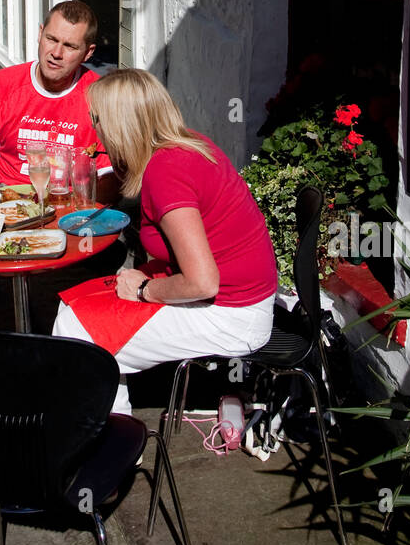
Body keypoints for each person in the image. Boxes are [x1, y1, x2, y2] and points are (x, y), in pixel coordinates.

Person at [52, 69, 277, 416]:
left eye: (97, 120)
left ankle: (108, 443)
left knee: (75, 330)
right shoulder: (186, 144)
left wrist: (144, 291)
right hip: (243, 300)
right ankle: (107, 424)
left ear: (119, 125)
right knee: (74, 307)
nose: (95, 129)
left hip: (232, 316)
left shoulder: (166, 172)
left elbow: (203, 282)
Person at [0, 0, 115, 327]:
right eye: (51, 39)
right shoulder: (4, 84)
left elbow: (110, 182)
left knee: (88, 272)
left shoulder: (98, 97)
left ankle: (58, 356)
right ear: (40, 34)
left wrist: (77, 212)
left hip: (70, 220)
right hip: (6, 213)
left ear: (88, 53)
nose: (56, 53)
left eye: (70, 45)